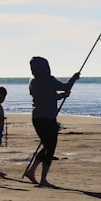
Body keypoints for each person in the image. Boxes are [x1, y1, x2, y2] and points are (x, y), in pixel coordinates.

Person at [23, 57, 79, 187]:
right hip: (48, 118)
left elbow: (45, 97)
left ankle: (31, 171)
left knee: (47, 146)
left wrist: (62, 96)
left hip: (36, 117)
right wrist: (74, 78)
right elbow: (65, 86)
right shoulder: (49, 79)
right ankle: (43, 179)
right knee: (50, 147)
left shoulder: (32, 82)